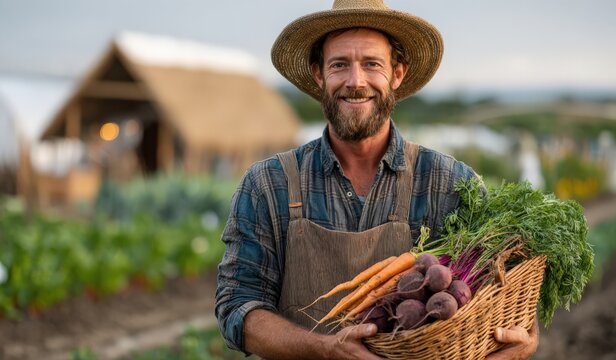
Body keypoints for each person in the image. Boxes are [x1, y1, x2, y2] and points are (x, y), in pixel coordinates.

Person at [215, 1, 539, 359]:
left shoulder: (449, 184)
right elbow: (237, 307)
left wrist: (524, 338)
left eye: (372, 64)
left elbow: (500, 290)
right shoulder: (268, 185)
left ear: (397, 73)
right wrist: (324, 349)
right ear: (319, 74)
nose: (356, 82)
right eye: (340, 65)